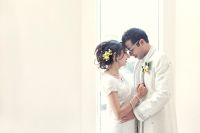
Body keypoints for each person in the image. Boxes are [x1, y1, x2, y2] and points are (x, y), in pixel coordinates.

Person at [121, 28, 177, 133]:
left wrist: (137, 113)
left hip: (158, 121)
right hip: (143, 122)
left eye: (131, 50)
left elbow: (164, 93)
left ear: (141, 42)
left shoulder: (160, 58)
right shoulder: (139, 63)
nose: (130, 55)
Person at [95, 40, 148, 133]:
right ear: (116, 56)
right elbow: (118, 114)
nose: (128, 56)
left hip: (130, 125)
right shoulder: (109, 81)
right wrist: (138, 96)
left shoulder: (123, 73)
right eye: (124, 53)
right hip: (119, 128)